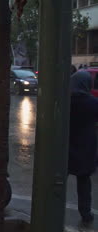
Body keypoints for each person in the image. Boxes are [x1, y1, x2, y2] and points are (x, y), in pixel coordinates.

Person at [69, 71, 98, 224]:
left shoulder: (65, 100)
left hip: (65, 148)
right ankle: (85, 214)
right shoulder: (93, 103)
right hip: (86, 149)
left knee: (58, 181)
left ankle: (54, 209)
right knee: (84, 183)